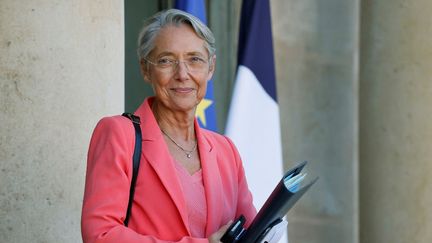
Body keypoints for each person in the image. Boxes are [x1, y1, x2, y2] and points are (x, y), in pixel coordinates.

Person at [81, 9, 257, 243]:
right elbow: (100, 235)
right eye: (166, 60)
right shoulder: (119, 135)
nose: (182, 74)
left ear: (211, 67)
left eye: (195, 59)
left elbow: (252, 230)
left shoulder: (226, 151)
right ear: (146, 69)